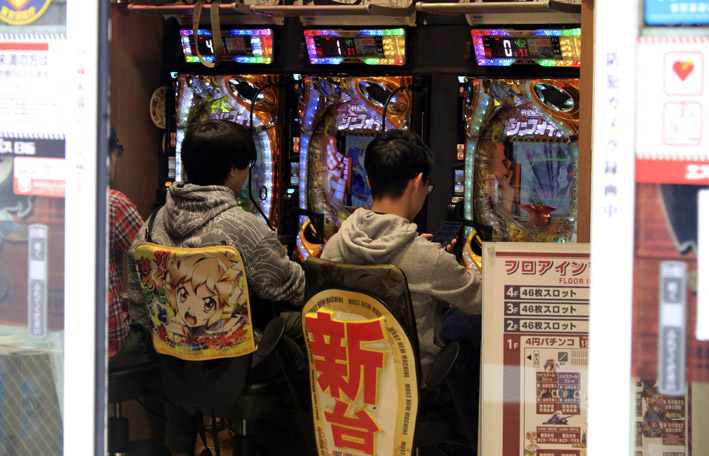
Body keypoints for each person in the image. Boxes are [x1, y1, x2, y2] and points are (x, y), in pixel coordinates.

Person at [126, 119, 306, 456]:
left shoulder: (150, 227)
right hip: (235, 362)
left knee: (186, 339)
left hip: (174, 364)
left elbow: (139, 305)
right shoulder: (243, 228)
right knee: (303, 327)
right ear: (236, 169)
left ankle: (180, 446)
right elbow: (293, 289)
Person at [319, 129, 482, 419]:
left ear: (369, 181)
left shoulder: (334, 247)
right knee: (471, 321)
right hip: (413, 392)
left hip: (349, 383)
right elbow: (483, 299)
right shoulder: (427, 258)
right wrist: (446, 267)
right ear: (418, 182)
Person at [106, 125, 154, 366]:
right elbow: (156, 263)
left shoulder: (38, 201)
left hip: (51, 347)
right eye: (117, 151)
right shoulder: (113, 204)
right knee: (172, 350)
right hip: (108, 347)